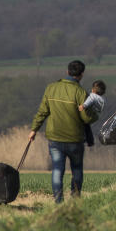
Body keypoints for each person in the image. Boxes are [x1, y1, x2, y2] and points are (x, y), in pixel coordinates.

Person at [28, 60, 99, 203]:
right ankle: (75, 199)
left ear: (67, 72)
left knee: (57, 170)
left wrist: (34, 130)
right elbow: (87, 118)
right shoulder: (80, 92)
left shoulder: (51, 88)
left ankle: (58, 201)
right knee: (77, 170)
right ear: (81, 75)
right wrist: (95, 113)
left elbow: (42, 112)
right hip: (75, 139)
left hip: (55, 139)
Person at [79, 79, 106, 146]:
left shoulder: (93, 96)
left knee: (85, 124)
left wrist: (83, 106)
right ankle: (90, 141)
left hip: (90, 112)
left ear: (93, 89)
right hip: (96, 114)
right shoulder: (102, 98)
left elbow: (90, 100)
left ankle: (87, 139)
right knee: (87, 126)